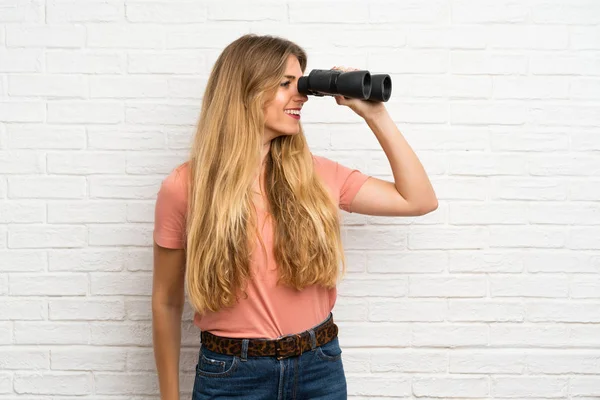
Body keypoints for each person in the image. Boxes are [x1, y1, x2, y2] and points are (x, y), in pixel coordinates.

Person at [152, 34, 438, 400]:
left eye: (301, 83)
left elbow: (419, 199)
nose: (301, 95)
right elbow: (166, 301)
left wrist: (374, 113)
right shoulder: (185, 187)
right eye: (286, 84)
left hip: (318, 367)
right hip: (231, 376)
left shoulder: (316, 175)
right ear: (245, 91)